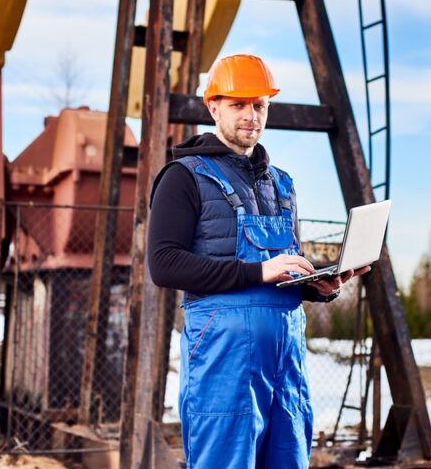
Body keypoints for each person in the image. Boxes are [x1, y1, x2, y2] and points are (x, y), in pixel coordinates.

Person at [147, 54, 369, 469]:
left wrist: (319, 287)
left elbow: (283, 270)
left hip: (285, 356)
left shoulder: (281, 184)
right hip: (223, 358)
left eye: (260, 105)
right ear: (213, 107)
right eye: (239, 105)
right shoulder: (183, 176)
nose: (251, 115)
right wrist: (257, 271)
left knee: (289, 458)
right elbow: (164, 264)